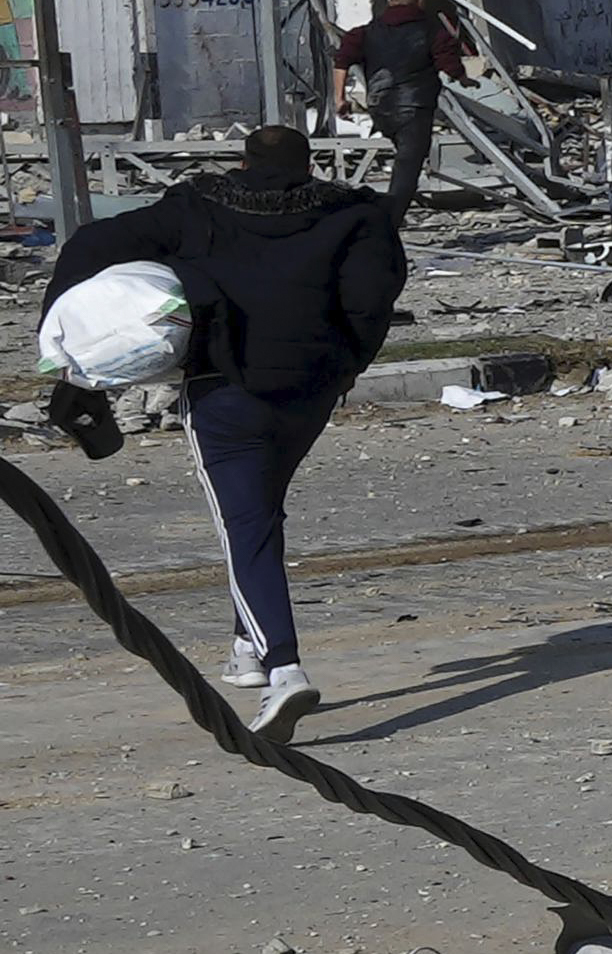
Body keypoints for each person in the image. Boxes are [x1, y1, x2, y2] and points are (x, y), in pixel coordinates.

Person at [43, 126, 404, 740]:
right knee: (262, 512)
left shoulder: (197, 209)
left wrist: (61, 327)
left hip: (225, 391)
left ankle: (283, 669)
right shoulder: (355, 218)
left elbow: (91, 241)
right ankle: (245, 648)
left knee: (245, 526)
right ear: (308, 166)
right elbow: (371, 302)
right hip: (312, 391)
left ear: (242, 162)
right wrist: (347, 366)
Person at [331, 0, 472, 216]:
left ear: (392, 1)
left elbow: (342, 60)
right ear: (420, 2)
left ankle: (386, 213)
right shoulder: (431, 31)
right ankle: (390, 219)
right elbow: (448, 63)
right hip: (414, 107)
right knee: (408, 165)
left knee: (404, 160)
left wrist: (339, 98)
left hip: (381, 108)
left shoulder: (365, 32)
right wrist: (463, 78)